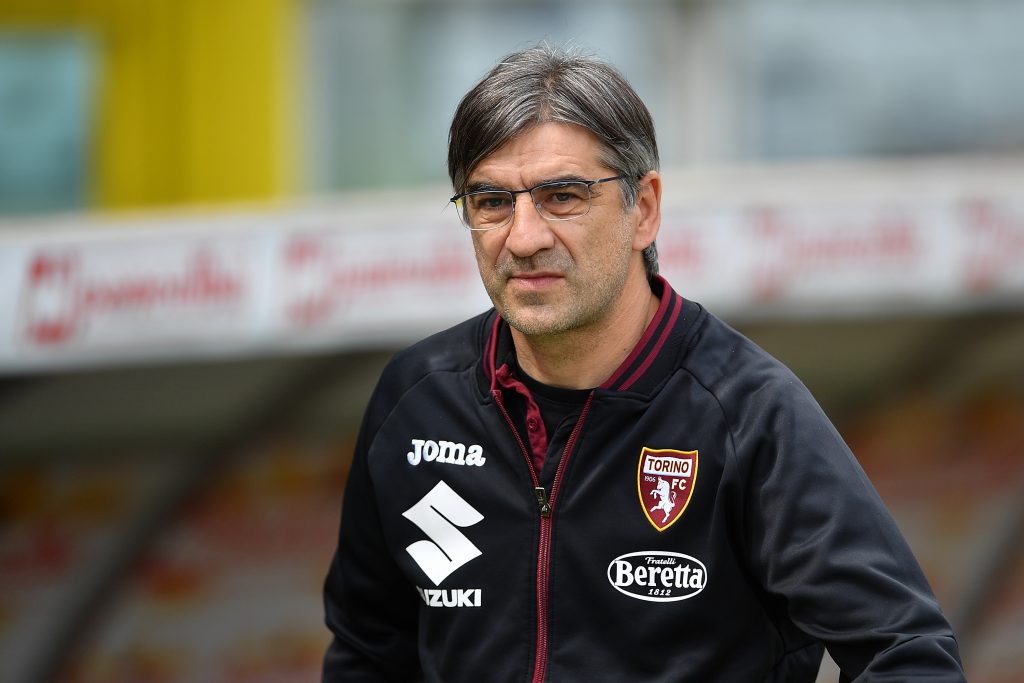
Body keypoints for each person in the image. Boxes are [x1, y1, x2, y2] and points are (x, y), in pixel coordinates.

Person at [322, 44, 966, 682]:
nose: (524, 237)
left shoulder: (748, 412)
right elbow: (366, 653)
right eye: (491, 201)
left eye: (563, 197)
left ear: (645, 210)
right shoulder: (416, 400)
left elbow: (908, 656)